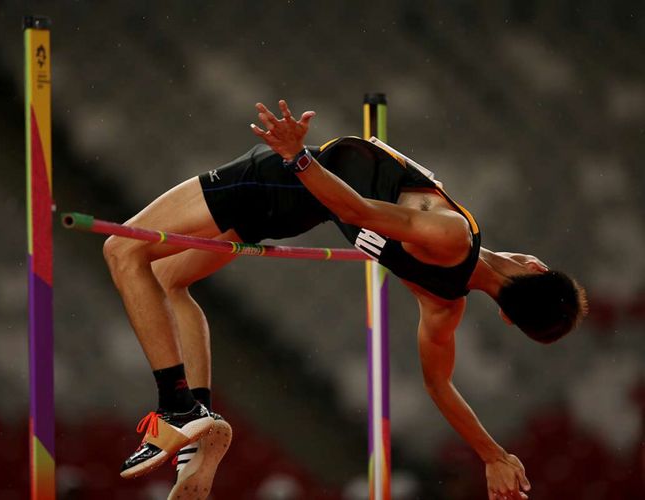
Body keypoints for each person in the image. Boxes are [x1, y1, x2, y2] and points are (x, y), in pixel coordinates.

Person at [102, 100, 587, 500]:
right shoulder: (443, 306)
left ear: (536, 267)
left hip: (282, 179)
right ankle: (199, 425)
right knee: (169, 280)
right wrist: (492, 456)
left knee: (122, 249)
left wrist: (297, 156)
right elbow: (441, 388)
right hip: (295, 204)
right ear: (506, 316)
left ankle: (177, 406)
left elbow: (357, 209)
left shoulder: (453, 234)